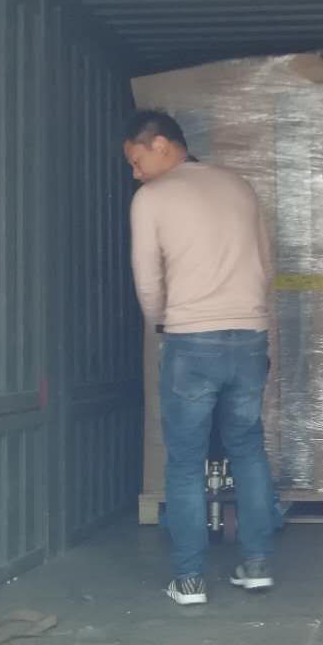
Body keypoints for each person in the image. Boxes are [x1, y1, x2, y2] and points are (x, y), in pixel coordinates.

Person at [124, 109, 277, 604]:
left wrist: (162, 325)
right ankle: (257, 564)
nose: (135, 173)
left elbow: (148, 279)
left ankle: (189, 578)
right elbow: (266, 265)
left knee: (186, 461)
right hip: (249, 337)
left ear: (162, 145)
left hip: (191, 339)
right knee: (248, 449)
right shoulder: (240, 186)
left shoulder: (151, 198)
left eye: (137, 160)